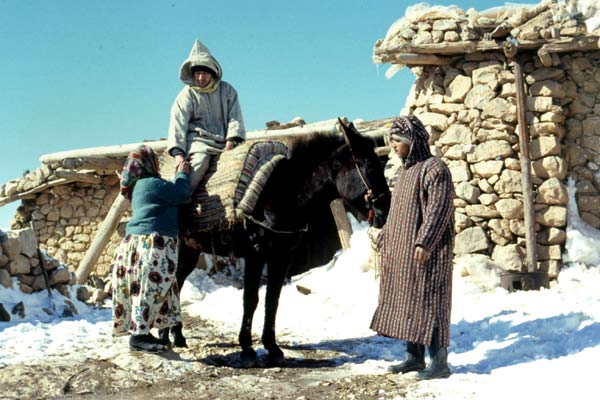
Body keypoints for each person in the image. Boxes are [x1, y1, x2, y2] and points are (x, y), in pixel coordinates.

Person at [371, 115, 455, 380]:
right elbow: (400, 212)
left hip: (425, 253)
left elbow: (439, 208)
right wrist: (386, 236)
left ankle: (439, 363)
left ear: (412, 140)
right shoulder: (406, 172)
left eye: (397, 141)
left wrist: (425, 241)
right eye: (391, 141)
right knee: (408, 302)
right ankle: (414, 358)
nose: (393, 145)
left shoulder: (435, 168)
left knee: (430, 302)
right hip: (402, 254)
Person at [111, 144, 191, 353]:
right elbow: (180, 193)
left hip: (135, 243)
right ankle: (138, 337)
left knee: (146, 289)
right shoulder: (151, 184)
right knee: (150, 289)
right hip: (152, 245)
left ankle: (145, 332)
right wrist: (182, 174)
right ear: (148, 164)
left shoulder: (137, 186)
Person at [167, 39, 246, 199]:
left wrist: (231, 142)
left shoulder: (227, 91)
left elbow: (234, 118)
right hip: (198, 143)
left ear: (212, 72)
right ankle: (180, 202)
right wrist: (178, 154)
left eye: (204, 73)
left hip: (224, 142)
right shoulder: (186, 95)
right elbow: (178, 125)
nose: (201, 77)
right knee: (199, 164)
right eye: (198, 73)